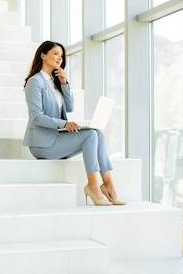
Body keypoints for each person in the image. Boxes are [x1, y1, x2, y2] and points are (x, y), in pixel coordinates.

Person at [22, 40, 125, 206]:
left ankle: (108, 185)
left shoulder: (54, 82)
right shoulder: (35, 82)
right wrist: (64, 124)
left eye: (62, 56)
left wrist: (64, 83)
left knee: (97, 132)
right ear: (43, 55)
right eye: (56, 54)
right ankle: (92, 186)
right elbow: (36, 117)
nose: (59, 58)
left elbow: (70, 107)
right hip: (42, 144)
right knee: (90, 135)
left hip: (56, 139)